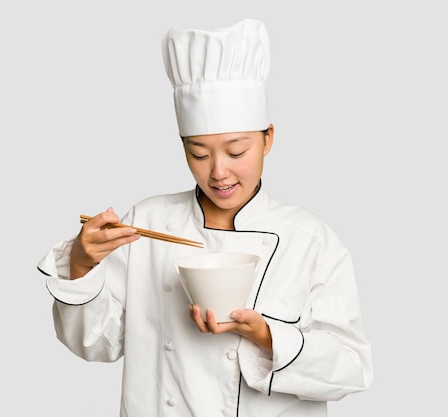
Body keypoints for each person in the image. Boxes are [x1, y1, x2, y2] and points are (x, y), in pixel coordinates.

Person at [37, 18, 373, 417]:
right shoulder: (148, 221)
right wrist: (81, 263)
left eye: (236, 152)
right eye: (198, 153)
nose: (218, 172)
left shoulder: (310, 240)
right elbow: (94, 344)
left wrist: (266, 336)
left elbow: (352, 370)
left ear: (268, 138)